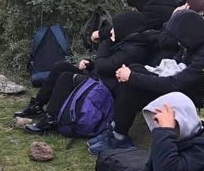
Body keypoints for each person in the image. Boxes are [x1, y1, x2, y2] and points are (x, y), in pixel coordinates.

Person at [90, 10, 204, 155]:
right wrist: (135, 73)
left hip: (198, 98)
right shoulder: (196, 43)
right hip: (188, 87)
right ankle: (116, 127)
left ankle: (118, 136)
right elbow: (176, 65)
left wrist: (132, 77)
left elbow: (177, 83)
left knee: (133, 82)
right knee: (134, 69)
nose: (178, 42)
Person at [23, 12, 157, 133]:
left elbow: (104, 67)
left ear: (125, 28)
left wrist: (106, 43)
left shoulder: (134, 50)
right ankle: (37, 105)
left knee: (66, 78)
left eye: (114, 28)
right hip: (100, 78)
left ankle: (50, 119)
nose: (111, 32)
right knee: (62, 67)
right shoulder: (127, 43)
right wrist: (90, 64)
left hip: (106, 89)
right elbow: (107, 66)